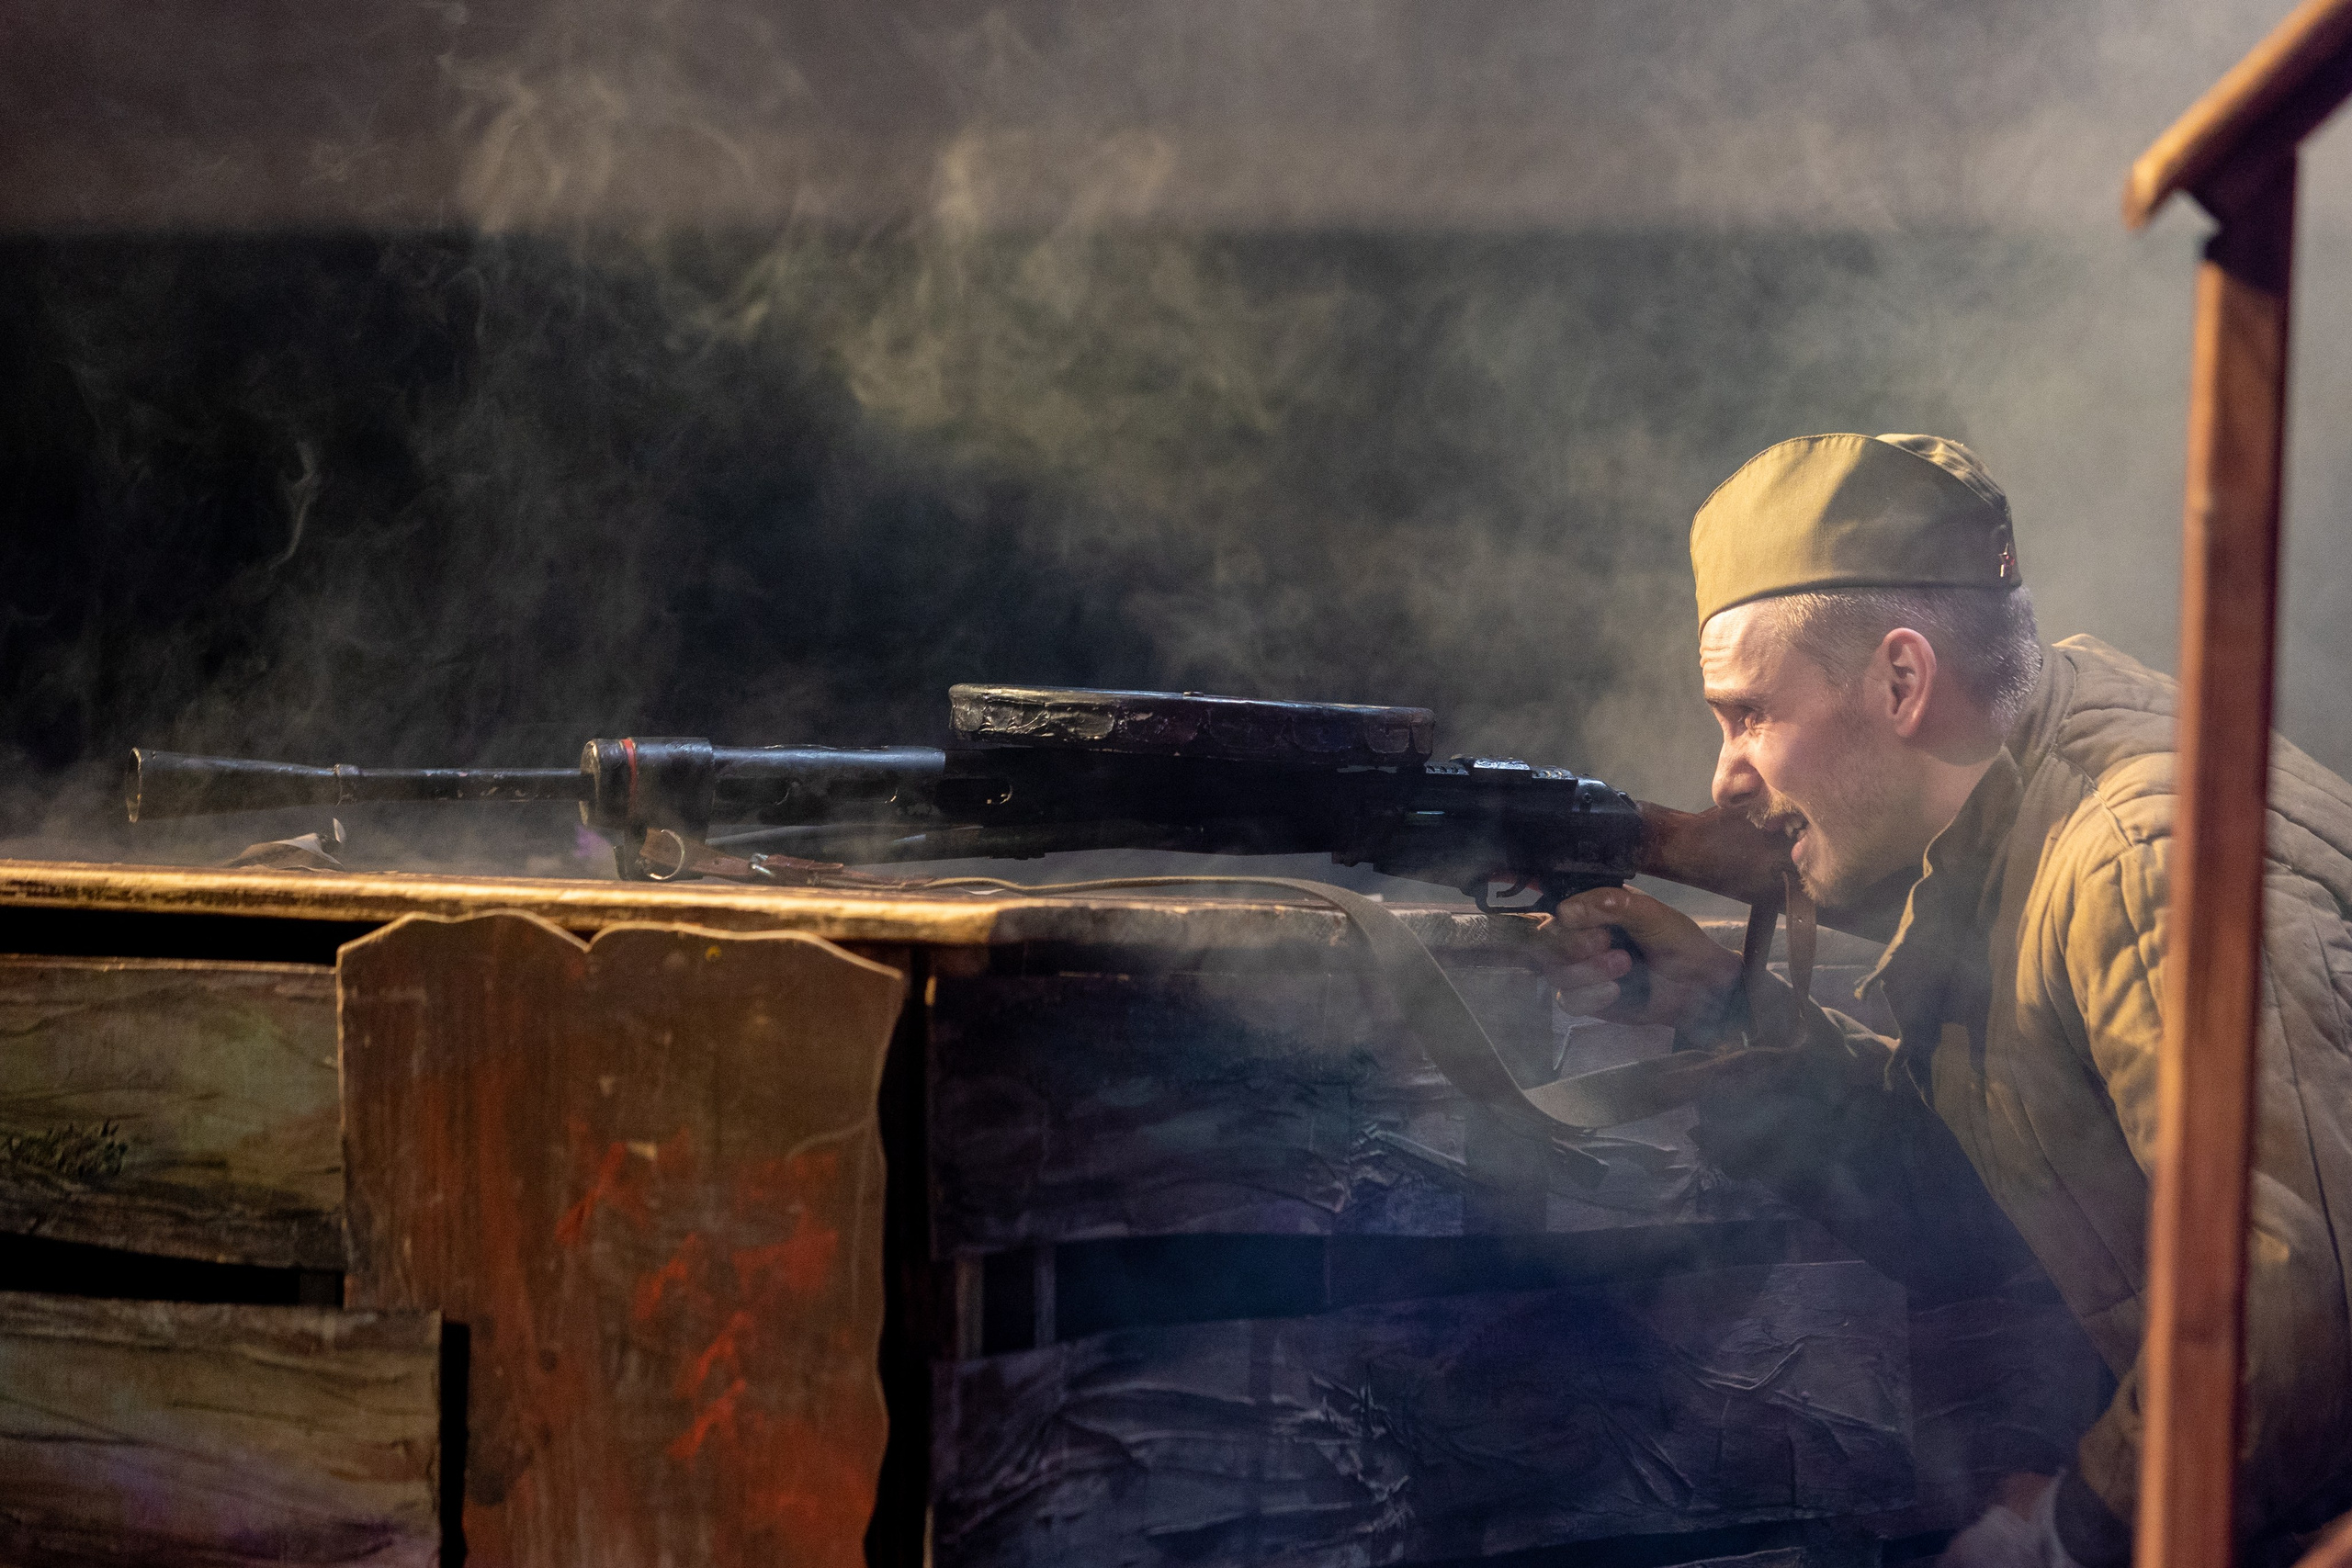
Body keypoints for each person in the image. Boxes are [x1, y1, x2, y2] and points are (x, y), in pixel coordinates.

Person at [1542, 433, 2352, 1567]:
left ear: (1902, 680)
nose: (1724, 773)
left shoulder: (2134, 859)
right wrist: (1724, 1009)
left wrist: (2063, 1536)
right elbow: (1971, 1209)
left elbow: (2292, 1322)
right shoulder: (2001, 841)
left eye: (1748, 714)